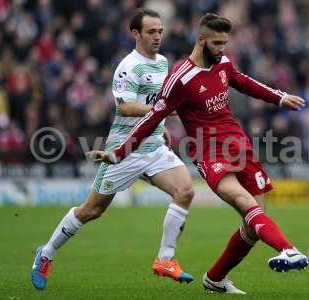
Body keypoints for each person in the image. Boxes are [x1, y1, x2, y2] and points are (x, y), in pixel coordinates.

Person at [88, 13, 309, 294]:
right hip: (210, 153)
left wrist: (278, 97)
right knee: (244, 202)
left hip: (240, 146)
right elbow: (153, 118)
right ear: (201, 40)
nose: (222, 49)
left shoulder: (224, 62)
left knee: (253, 227)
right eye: (217, 43)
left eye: (225, 43)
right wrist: (119, 152)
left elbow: (243, 81)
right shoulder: (180, 78)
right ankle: (288, 250)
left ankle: (215, 279)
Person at [31, 8, 195, 290]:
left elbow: (156, 100)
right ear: (136, 34)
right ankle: (46, 254)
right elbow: (126, 106)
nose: (158, 36)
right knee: (91, 210)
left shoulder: (163, 62)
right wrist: (160, 112)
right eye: (151, 32)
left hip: (154, 145)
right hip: (123, 149)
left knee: (185, 191)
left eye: (160, 31)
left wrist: (160, 124)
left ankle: (165, 259)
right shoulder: (128, 66)